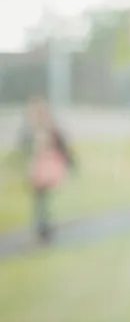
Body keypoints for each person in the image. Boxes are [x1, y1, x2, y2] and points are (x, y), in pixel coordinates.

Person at [17, 97, 74, 244]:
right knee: (41, 203)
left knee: (43, 203)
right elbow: (23, 144)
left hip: (46, 170)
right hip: (40, 170)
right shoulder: (34, 129)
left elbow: (62, 147)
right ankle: (43, 230)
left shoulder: (50, 130)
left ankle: (44, 231)